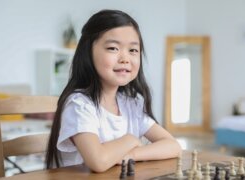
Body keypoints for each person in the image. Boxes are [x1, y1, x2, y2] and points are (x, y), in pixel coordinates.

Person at [45, 9, 181, 172]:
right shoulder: (79, 105)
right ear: (88, 53)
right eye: (113, 48)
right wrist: (130, 140)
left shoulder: (131, 104)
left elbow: (173, 146)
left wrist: (132, 154)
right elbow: (99, 161)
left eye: (133, 50)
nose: (125, 58)